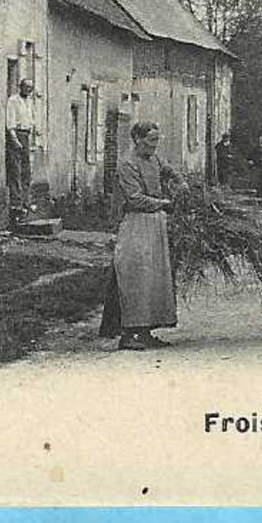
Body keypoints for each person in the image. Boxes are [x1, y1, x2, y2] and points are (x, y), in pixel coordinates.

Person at [99, 121, 178, 351]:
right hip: (135, 224)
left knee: (153, 279)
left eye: (156, 140)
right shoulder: (127, 164)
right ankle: (127, 334)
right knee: (135, 277)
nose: (154, 145)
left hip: (155, 225)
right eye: (150, 140)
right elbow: (134, 198)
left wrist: (180, 182)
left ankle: (145, 331)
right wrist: (164, 203)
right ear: (137, 139)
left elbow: (168, 169)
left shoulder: (153, 159)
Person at [5, 78, 39, 216]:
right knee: (15, 170)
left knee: (26, 171)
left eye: (31, 88)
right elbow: (10, 121)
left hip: (26, 135)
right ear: (20, 87)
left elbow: (32, 120)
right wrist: (14, 139)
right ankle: (16, 202)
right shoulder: (13, 100)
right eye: (26, 87)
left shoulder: (30, 102)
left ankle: (26, 201)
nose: (28, 90)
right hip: (16, 135)